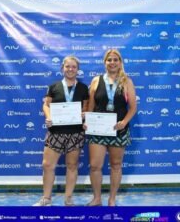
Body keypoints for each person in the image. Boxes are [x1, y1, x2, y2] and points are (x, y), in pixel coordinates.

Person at [33, 56, 89, 206]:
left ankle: (68, 198)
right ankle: (46, 198)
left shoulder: (83, 88)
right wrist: (49, 116)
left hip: (76, 133)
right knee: (47, 165)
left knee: (72, 166)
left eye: (74, 67)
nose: (70, 69)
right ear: (62, 68)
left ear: (78, 70)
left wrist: (84, 115)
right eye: (67, 66)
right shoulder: (54, 87)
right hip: (55, 132)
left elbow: (86, 108)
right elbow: (46, 105)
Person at [85, 49, 137, 207]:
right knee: (95, 166)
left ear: (120, 62)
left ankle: (112, 199)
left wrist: (124, 122)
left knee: (115, 165)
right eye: (109, 60)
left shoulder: (126, 81)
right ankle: (97, 198)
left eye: (115, 60)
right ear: (105, 63)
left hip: (118, 130)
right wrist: (87, 120)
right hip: (98, 130)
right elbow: (90, 106)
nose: (112, 62)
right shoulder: (96, 81)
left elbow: (133, 108)